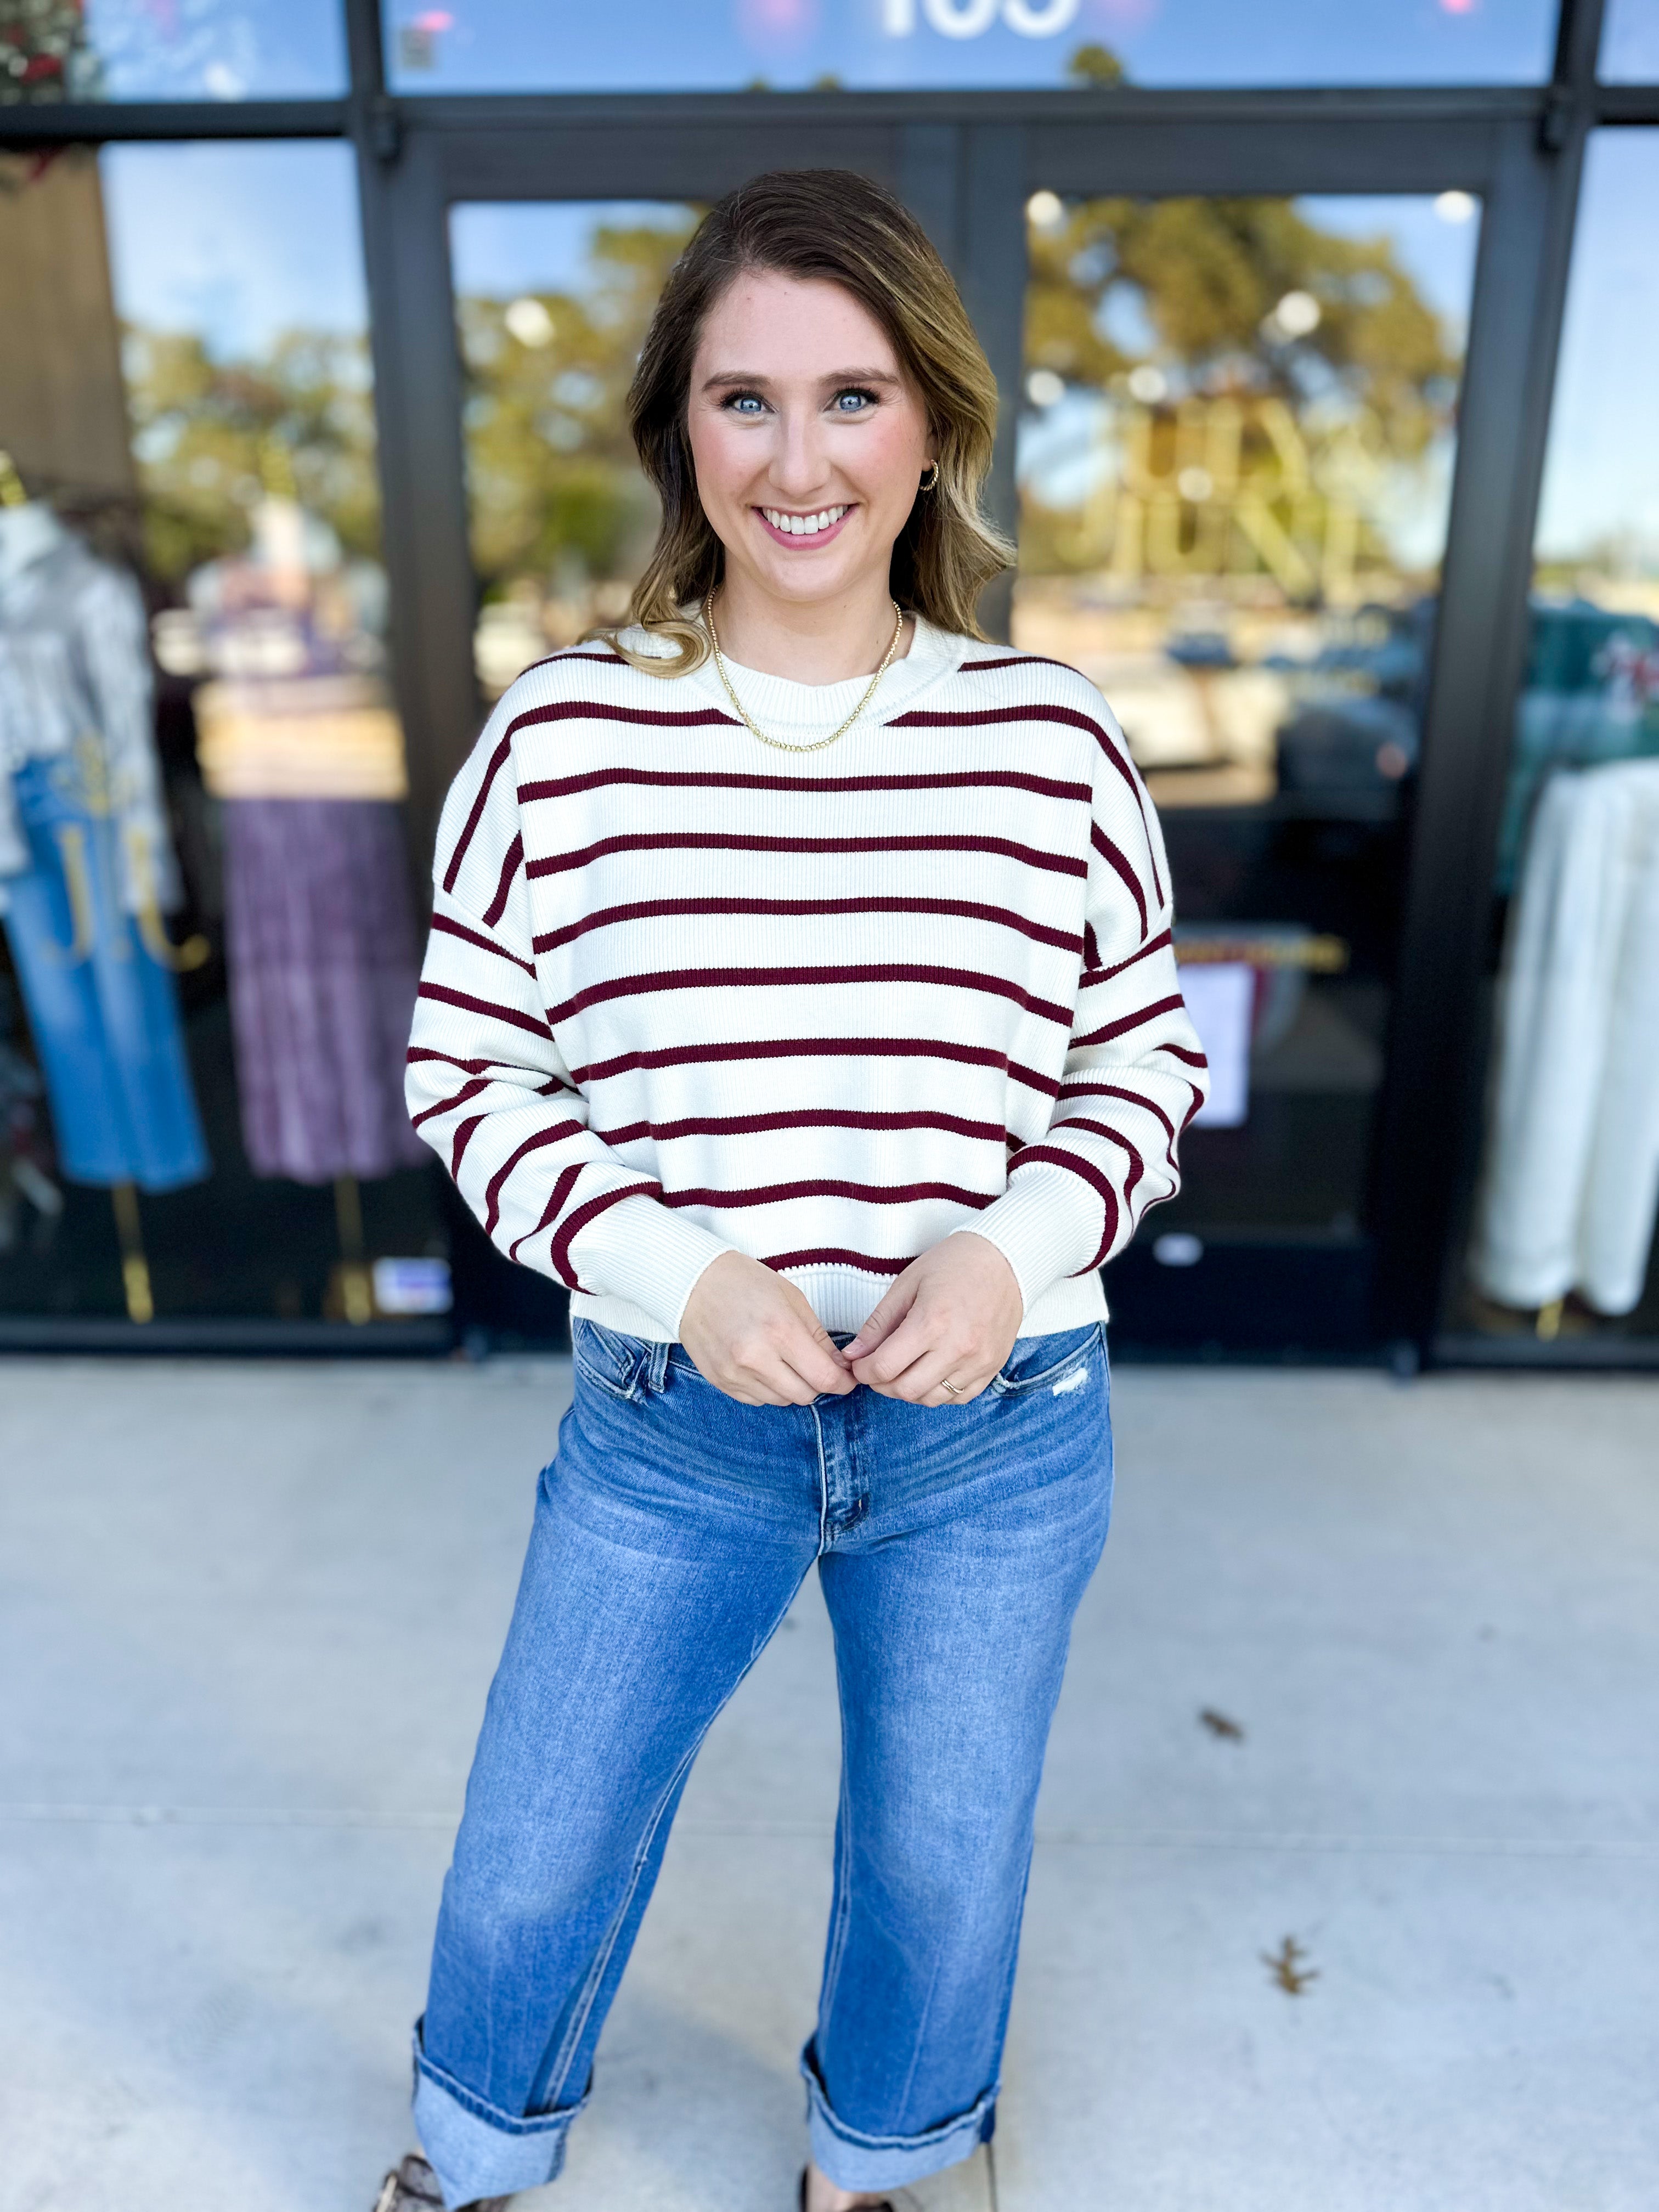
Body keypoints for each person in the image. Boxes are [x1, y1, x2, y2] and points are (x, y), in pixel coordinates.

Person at [380, 168, 1207, 2212]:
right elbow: (466, 1072)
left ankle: (885, 2168)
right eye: (744, 399)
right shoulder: (564, 738)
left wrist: (1017, 1254)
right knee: (536, 1845)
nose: (800, 457)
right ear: (681, 429)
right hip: (677, 1429)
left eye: (852, 396)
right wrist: (669, 1266)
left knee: (942, 1856)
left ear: (931, 424)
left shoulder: (1051, 739)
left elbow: (1147, 1062)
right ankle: (473, 2163)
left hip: (994, 1435)